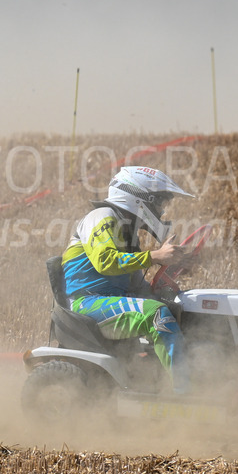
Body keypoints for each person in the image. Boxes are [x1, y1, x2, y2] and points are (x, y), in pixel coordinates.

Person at [62, 166, 195, 393]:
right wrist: (155, 256)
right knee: (157, 315)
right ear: (140, 199)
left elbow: (134, 282)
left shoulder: (126, 233)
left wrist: (164, 290)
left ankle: (167, 379)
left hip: (109, 299)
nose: (161, 211)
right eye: (159, 203)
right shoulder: (101, 217)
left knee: (176, 308)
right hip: (88, 302)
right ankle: (185, 393)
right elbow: (105, 261)